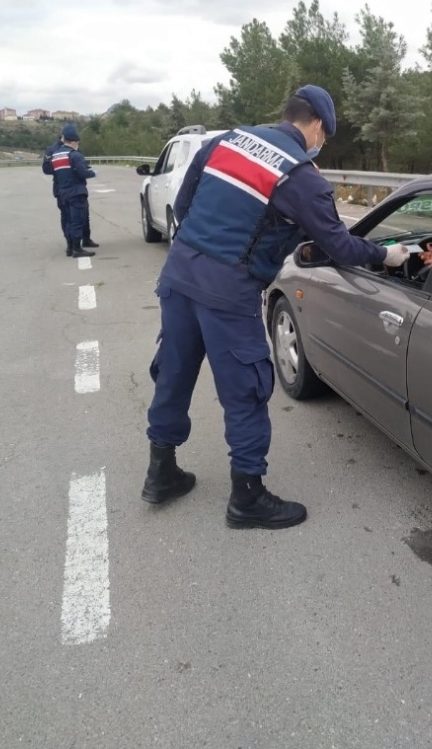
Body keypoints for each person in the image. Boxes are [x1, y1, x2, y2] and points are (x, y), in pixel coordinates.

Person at [141, 85, 410, 528]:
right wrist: (386, 255)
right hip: (228, 294)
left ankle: (161, 472)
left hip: (178, 277)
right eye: (326, 135)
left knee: (173, 374)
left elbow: (185, 206)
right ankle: (247, 499)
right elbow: (338, 245)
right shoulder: (300, 176)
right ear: (319, 126)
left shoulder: (225, 141)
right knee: (245, 392)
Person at [43, 129, 99, 255]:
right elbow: (82, 172)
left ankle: (70, 247)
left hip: (62, 191)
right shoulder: (75, 154)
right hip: (76, 191)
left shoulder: (56, 155)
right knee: (78, 220)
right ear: (74, 142)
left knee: (67, 219)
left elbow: (50, 170)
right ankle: (77, 248)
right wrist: (93, 173)